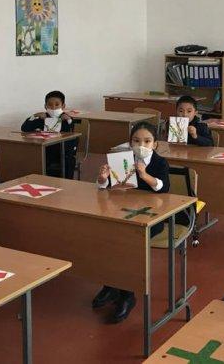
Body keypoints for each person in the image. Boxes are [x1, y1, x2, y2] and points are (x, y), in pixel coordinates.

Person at [92, 122, 170, 323]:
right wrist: (102, 179)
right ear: (130, 142)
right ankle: (110, 285)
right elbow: (108, 186)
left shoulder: (159, 162)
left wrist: (145, 175)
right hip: (123, 213)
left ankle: (127, 295)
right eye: (136, 141)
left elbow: (164, 188)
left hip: (152, 217)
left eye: (147, 141)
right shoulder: (123, 158)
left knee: (127, 242)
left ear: (155, 144)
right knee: (106, 236)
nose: (141, 145)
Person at [21, 90, 76, 178]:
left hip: (63, 149)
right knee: (34, 156)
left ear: (63, 106)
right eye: (50, 105)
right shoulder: (43, 117)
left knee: (68, 160)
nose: (53, 108)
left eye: (57, 104)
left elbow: (71, 129)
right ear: (45, 106)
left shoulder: (66, 118)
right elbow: (25, 128)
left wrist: (68, 119)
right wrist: (34, 116)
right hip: (45, 149)